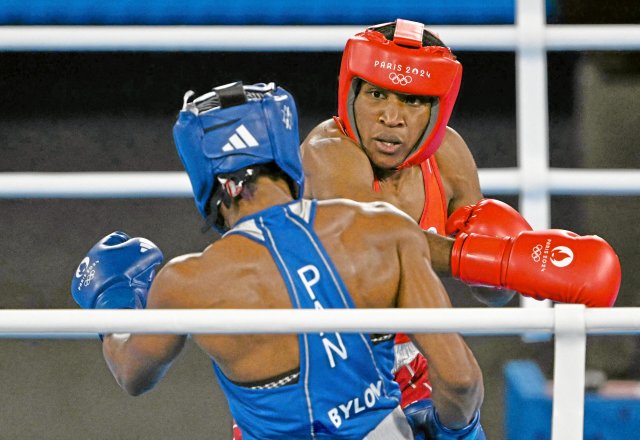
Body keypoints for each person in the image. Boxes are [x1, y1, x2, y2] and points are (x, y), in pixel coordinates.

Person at [70, 82, 488, 439]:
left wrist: (114, 299)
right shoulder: (385, 231)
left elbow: (132, 373)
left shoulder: (187, 283)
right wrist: (448, 430)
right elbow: (461, 379)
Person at [300, 18, 622, 412]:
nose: (391, 117)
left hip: (410, 359)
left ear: (439, 108)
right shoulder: (328, 150)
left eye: (413, 100)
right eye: (376, 94)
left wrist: (512, 263)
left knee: (465, 395)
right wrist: (499, 260)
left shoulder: (448, 156)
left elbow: (490, 293)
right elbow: (375, 238)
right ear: (350, 93)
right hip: (325, 365)